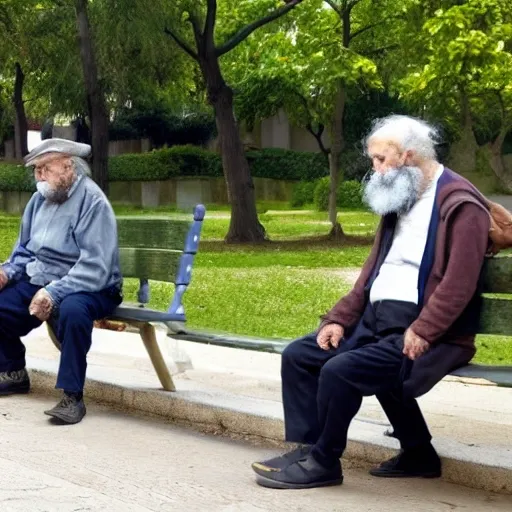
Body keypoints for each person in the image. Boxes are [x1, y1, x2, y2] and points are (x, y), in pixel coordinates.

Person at [251, 115, 491, 489]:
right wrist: (338, 320)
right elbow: (371, 273)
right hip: (376, 322)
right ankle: (316, 449)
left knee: (341, 369)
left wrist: (426, 329)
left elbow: (459, 283)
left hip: (427, 330)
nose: (375, 169)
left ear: (409, 156)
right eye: (373, 159)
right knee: (300, 355)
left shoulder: (460, 204)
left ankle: (325, 463)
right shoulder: (403, 196)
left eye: (381, 159)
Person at [0, 139, 122, 425]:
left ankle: (72, 397)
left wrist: (53, 291)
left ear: (69, 167)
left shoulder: (93, 201)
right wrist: (6, 272)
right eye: (36, 170)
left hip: (92, 284)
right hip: (43, 277)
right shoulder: (38, 200)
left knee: (73, 310)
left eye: (45, 168)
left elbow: (95, 265)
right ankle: (13, 371)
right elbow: (24, 250)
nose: (39, 176)